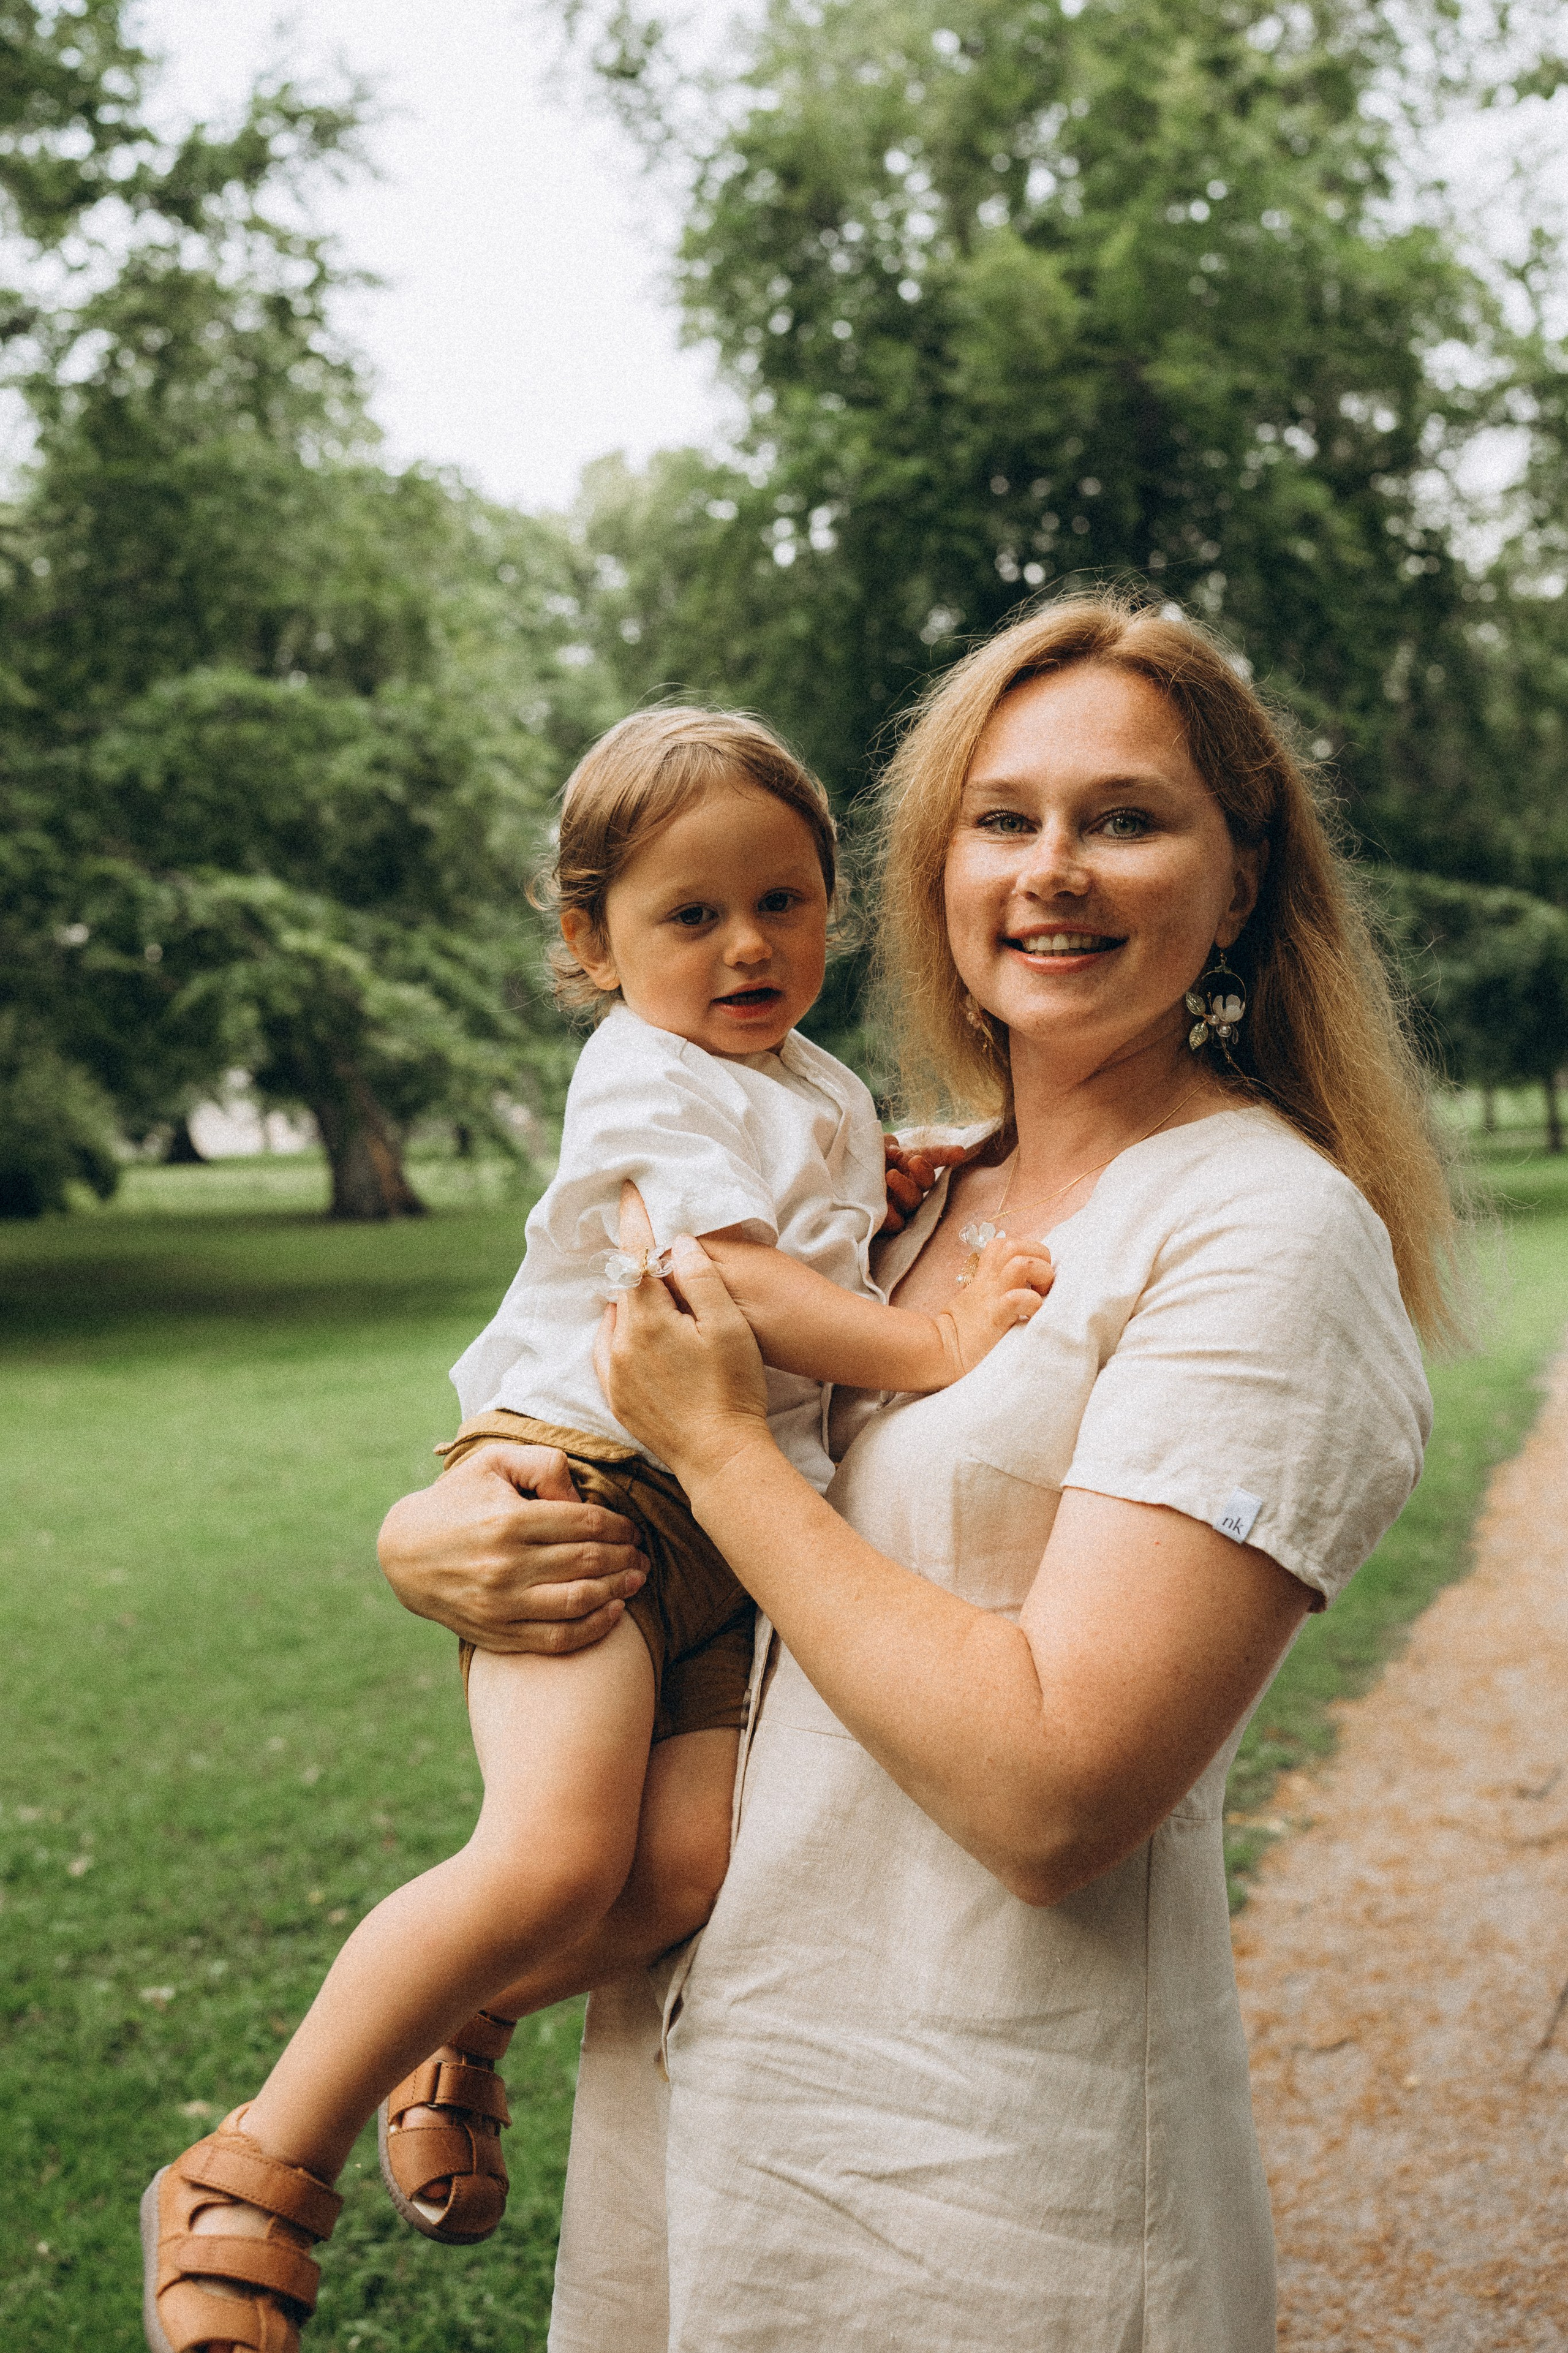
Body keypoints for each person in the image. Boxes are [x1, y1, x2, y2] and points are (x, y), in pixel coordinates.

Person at [377, 592, 1451, 2352]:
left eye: (1125, 816)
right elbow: (594, 1400)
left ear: (1240, 876)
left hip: (995, 2195)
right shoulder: (905, 1197)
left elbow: (1055, 1791)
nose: (1055, 871)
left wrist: (723, 1455)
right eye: (1003, 818)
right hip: (706, 2135)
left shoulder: (1263, 1232)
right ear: (933, 873)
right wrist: (437, 1527)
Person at [140, 708, 1051, 2353]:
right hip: (590, 1491)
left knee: (692, 1866)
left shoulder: (806, 1082)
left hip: (733, 1531)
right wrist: (929, 1340)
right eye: (690, 915)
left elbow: (818, 1214)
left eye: (783, 900)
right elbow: (740, 1280)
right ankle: (249, 2169)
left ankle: (463, 2011)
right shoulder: (642, 1073)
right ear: (591, 939)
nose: (748, 943)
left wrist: (901, 1184)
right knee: (556, 1851)